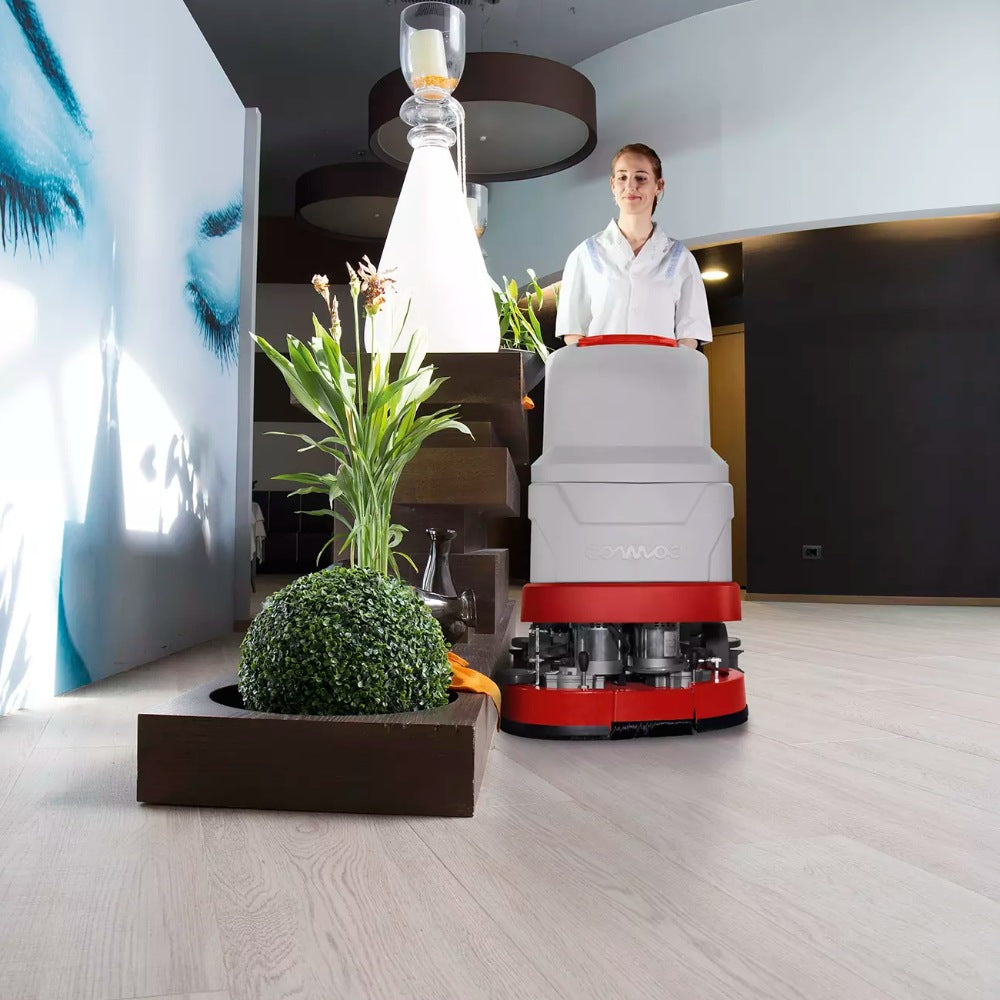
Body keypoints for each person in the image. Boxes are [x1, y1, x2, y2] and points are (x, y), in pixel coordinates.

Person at [555, 142, 712, 349]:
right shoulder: (585, 255)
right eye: (622, 177)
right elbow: (573, 331)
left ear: (659, 186)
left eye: (641, 178)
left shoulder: (680, 258)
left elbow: (689, 335)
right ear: (613, 184)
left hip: (659, 375)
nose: (630, 186)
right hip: (600, 375)